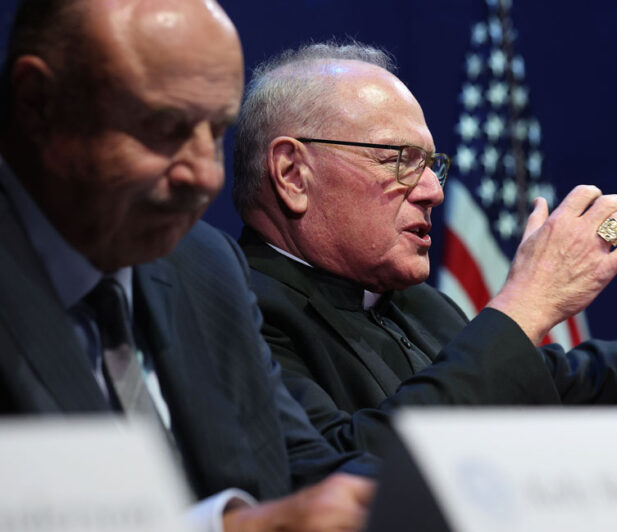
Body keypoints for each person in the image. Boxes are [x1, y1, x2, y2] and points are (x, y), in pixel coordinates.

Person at [0, 1, 374, 530]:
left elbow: (304, 472)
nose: (204, 176)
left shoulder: (206, 264)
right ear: (38, 103)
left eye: (217, 131)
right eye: (166, 127)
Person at [231, 42, 617, 453]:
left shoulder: (421, 306)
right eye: (399, 158)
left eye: (432, 165)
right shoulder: (236, 313)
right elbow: (337, 472)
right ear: (292, 174)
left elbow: (561, 382)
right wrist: (523, 308)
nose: (433, 191)